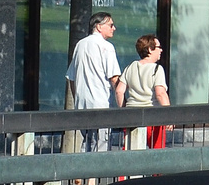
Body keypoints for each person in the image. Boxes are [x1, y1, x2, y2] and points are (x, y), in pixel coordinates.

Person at [66, 12, 121, 152]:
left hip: (82, 106)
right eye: (111, 25)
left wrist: (78, 97)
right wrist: (122, 102)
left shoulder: (80, 44)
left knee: (87, 144)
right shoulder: (107, 47)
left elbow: (71, 79)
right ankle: (95, 174)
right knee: (101, 146)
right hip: (100, 105)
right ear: (99, 26)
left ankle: (84, 173)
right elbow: (114, 78)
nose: (114, 28)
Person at [116, 34, 170, 149]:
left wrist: (123, 109)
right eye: (159, 47)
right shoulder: (157, 69)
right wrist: (169, 115)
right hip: (153, 117)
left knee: (131, 151)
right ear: (150, 49)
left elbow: (119, 91)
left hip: (131, 116)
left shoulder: (130, 67)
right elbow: (160, 93)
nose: (161, 50)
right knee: (156, 153)